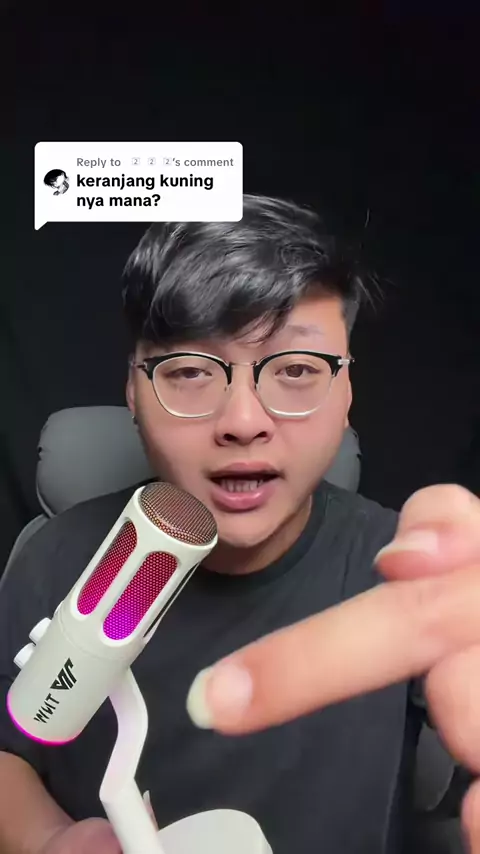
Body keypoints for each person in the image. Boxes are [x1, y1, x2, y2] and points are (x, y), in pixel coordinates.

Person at [0, 195, 477, 854]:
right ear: (133, 391)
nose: (244, 421)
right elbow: (8, 752)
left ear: (346, 393)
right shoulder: (56, 558)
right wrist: (54, 838)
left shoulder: (408, 575)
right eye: (191, 372)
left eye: (296, 370)